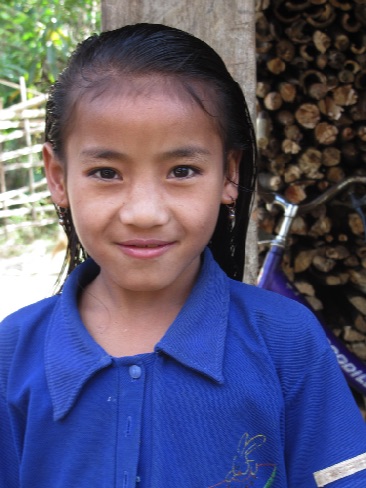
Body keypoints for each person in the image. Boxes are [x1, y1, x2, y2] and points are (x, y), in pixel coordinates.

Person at [0, 23, 365, 488]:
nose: (144, 213)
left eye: (182, 170)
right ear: (57, 176)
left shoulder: (286, 342)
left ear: (229, 174)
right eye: (107, 172)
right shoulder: (12, 352)